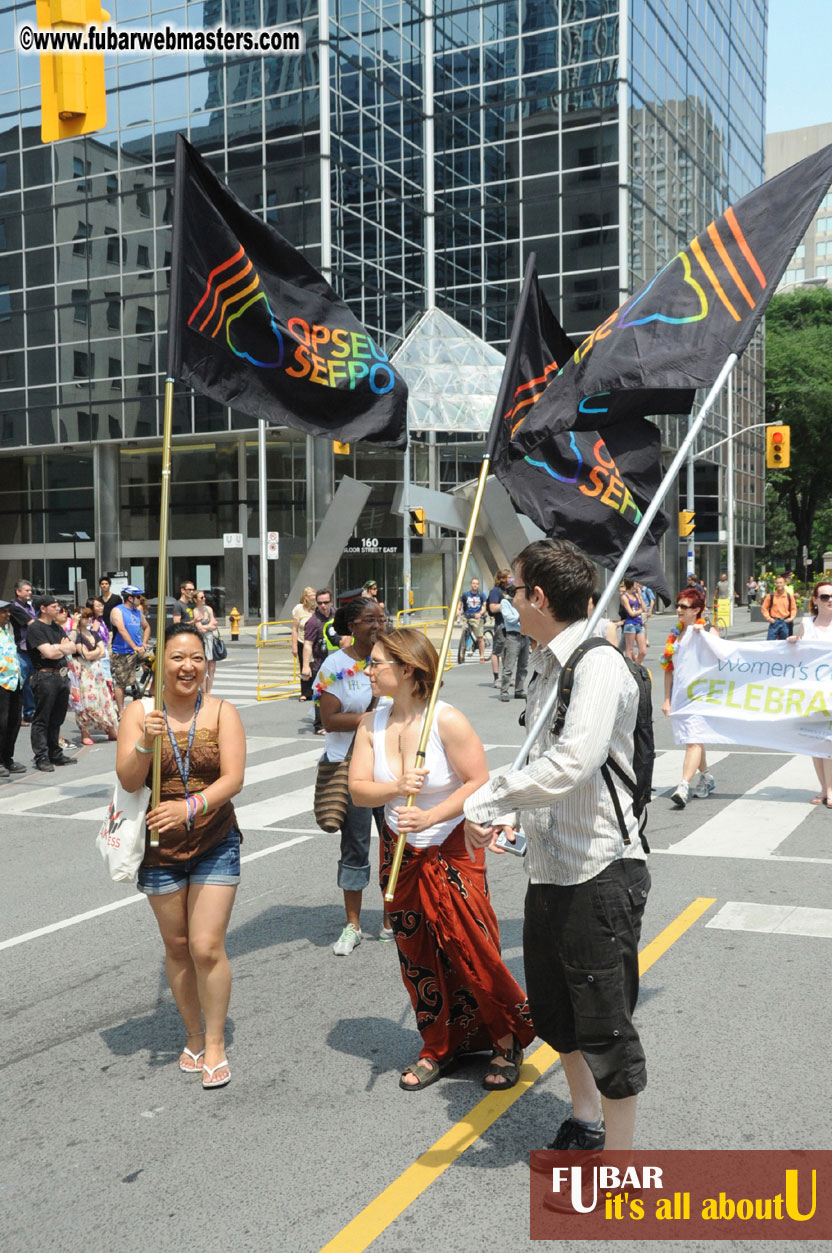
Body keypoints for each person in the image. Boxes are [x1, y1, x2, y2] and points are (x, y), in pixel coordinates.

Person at [463, 539, 651, 1154]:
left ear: (538, 597)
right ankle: (585, 1116)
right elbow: (546, 766)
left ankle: (620, 1160)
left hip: (599, 869)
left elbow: (573, 762)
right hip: (549, 867)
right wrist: (515, 822)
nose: (507, 601)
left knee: (604, 1026)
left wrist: (493, 798)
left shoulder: (597, 664)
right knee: (556, 1014)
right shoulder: (547, 664)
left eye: (514, 591)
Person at [350, 627, 535, 1090]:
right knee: (417, 956)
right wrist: (397, 788)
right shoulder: (370, 723)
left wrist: (431, 812)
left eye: (376, 663)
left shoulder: (445, 720)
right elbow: (357, 789)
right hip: (398, 852)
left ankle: (505, 1041)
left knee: (471, 948)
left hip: (452, 847)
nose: (366, 670)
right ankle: (440, 1044)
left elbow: (479, 780)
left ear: (407, 669)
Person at [115, 623, 246, 1089]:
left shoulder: (222, 712)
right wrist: (144, 741)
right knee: (176, 947)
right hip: (158, 850)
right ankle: (192, 1034)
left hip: (215, 841)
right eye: (177, 657)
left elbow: (233, 778)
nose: (187, 666)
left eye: (196, 657)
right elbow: (130, 782)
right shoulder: (139, 712)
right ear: (160, 663)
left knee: (205, 945)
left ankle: (214, 1043)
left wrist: (189, 807)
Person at [314, 596, 393, 954]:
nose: (378, 625)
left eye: (382, 617)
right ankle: (353, 924)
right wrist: (370, 719)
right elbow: (329, 720)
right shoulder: (335, 666)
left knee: (396, 843)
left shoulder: (395, 658)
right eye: (369, 619)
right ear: (351, 626)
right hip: (352, 767)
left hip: (391, 765)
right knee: (356, 844)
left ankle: (392, 920)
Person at [660, 587, 718, 807]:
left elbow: (723, 661)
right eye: (678, 605)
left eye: (684, 607)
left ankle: (683, 786)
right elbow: (668, 668)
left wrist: (704, 639)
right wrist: (667, 699)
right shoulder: (675, 634)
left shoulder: (708, 632)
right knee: (693, 738)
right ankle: (706, 777)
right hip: (680, 695)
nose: (678, 610)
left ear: (697, 610)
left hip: (701, 696)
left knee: (693, 740)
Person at [788, 580, 832, 805]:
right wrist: (794, 642)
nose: (830, 600)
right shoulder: (807, 623)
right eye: (824, 597)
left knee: (830, 741)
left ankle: (831, 790)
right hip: (813, 692)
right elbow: (800, 655)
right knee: (817, 742)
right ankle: (824, 789)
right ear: (815, 600)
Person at [26, 595, 80, 772]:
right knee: (42, 719)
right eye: (54, 606)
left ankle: (55, 753)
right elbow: (47, 653)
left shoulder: (56, 627)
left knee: (57, 718)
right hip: (45, 676)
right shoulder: (35, 628)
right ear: (43, 608)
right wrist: (59, 648)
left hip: (62, 676)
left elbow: (72, 647)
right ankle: (41, 756)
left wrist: (57, 648)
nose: (58, 609)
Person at [67, 607, 119, 745]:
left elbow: (103, 652)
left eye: (90, 616)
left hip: (97, 671)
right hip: (83, 671)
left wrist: (95, 653)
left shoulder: (94, 634)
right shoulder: (77, 636)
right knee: (85, 702)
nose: (89, 619)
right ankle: (85, 731)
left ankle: (110, 728)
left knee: (104, 699)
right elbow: (85, 654)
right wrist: (96, 651)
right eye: (85, 617)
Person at [301, 588, 339, 734]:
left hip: (338, 663)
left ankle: (335, 720)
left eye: (326, 602)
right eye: (320, 603)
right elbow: (308, 644)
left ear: (331, 601)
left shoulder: (338, 615)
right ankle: (319, 725)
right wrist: (305, 666)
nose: (323, 606)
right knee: (321, 695)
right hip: (321, 664)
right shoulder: (313, 621)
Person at [110, 585, 150, 714]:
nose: (140, 599)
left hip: (138, 650)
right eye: (138, 597)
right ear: (129, 598)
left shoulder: (137, 612)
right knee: (121, 682)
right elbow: (121, 630)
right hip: (122, 652)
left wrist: (144, 643)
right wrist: (134, 647)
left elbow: (147, 627)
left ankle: (151, 688)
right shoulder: (118, 611)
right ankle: (121, 711)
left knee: (161, 656)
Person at [0, 598, 26, 777]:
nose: (8, 614)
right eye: (4, 612)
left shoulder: (7, 631)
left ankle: (7, 758)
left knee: (14, 721)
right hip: (1, 683)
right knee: (1, 723)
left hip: (15, 681)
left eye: (8, 611)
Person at [9, 578, 37, 725]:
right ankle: (18, 715)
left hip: (32, 649)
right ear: (18, 591)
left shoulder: (30, 607)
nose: (30, 592)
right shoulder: (14, 607)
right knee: (21, 682)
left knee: (30, 684)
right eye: (26, 590)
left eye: (30, 590)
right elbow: (31, 624)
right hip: (21, 649)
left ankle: (30, 713)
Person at [499, 581, 530, 702]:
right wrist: (521, 617)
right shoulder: (505, 602)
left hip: (524, 635)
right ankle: (504, 691)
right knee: (509, 666)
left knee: (523, 666)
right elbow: (509, 618)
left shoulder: (522, 602)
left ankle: (519, 690)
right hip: (513, 636)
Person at [291, 587, 316, 701]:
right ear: (305, 596)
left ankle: (315, 690)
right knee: (304, 666)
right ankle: (305, 692)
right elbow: (295, 629)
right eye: (310, 595)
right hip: (302, 641)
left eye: (314, 594)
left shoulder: (316, 609)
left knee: (314, 666)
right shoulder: (298, 609)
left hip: (315, 641)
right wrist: (294, 646)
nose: (313, 597)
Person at [487, 568, 511, 688]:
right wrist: (506, 605)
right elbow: (492, 608)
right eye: (508, 577)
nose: (510, 579)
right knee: (497, 651)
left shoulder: (509, 591)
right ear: (501, 579)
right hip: (500, 624)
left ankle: (506, 677)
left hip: (510, 625)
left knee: (507, 651)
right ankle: (496, 678)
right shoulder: (495, 591)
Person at [193, 591, 219, 694]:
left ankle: (209, 692)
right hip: (202, 640)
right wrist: (209, 626)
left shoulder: (208, 609)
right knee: (203, 667)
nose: (204, 599)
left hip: (210, 639)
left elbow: (214, 625)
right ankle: (203, 692)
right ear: (195, 600)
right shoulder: (195, 611)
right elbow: (199, 628)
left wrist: (207, 627)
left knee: (211, 668)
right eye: (201, 597)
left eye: (204, 597)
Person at [457, 576, 487, 662]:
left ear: (478, 585)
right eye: (473, 583)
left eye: (477, 584)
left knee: (480, 638)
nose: (475, 585)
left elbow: (484, 606)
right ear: (470, 584)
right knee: (464, 635)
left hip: (477, 618)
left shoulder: (481, 595)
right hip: (467, 617)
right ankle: (461, 655)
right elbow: (459, 604)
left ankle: (482, 656)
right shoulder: (465, 595)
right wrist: (458, 610)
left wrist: (480, 613)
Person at [761, 574, 797, 640]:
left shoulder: (789, 596)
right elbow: (764, 608)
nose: (779, 584)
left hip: (785, 622)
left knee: (785, 643)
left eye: (780, 583)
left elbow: (793, 608)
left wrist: (791, 618)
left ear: (785, 584)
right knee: (770, 642)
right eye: (777, 583)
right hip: (774, 622)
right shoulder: (771, 596)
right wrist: (769, 618)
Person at [619, 579, 647, 665]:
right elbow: (631, 613)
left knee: (643, 651)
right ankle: (630, 669)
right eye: (635, 582)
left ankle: (637, 667)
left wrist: (640, 595)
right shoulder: (624, 596)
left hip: (639, 624)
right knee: (629, 649)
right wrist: (639, 611)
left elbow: (645, 608)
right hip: (630, 624)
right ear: (631, 584)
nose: (637, 584)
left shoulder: (636, 595)